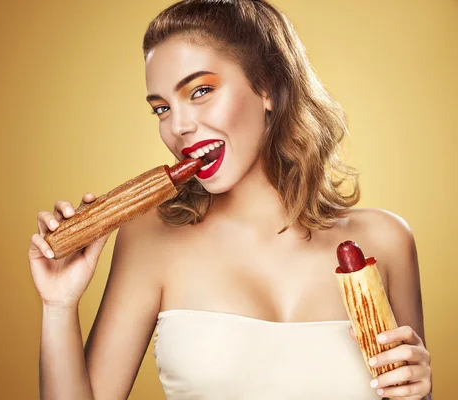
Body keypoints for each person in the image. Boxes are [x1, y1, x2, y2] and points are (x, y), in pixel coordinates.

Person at [28, 0, 432, 399]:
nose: (179, 127)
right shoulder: (150, 238)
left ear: (268, 87)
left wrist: (419, 391)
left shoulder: (386, 240)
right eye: (162, 109)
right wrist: (59, 305)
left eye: (200, 91)